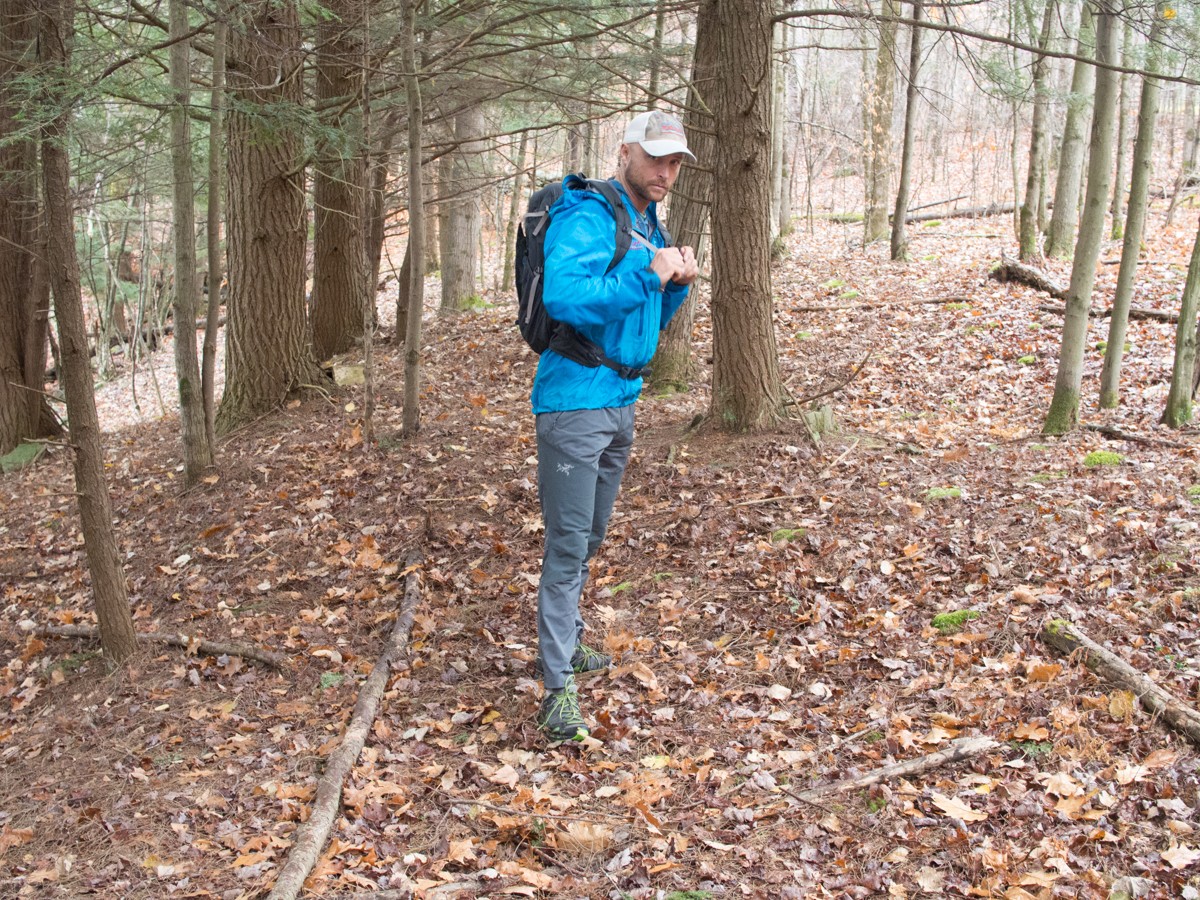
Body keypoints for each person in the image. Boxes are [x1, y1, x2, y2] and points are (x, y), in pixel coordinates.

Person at [532, 110, 699, 742]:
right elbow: (566, 296)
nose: (666, 171)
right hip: (574, 403)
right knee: (568, 544)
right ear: (625, 152)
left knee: (592, 535)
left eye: (675, 161)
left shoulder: (648, 223)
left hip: (622, 398)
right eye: (655, 157)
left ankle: (568, 643)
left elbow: (644, 317)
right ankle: (556, 692)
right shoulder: (587, 214)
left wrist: (674, 285)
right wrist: (647, 273)